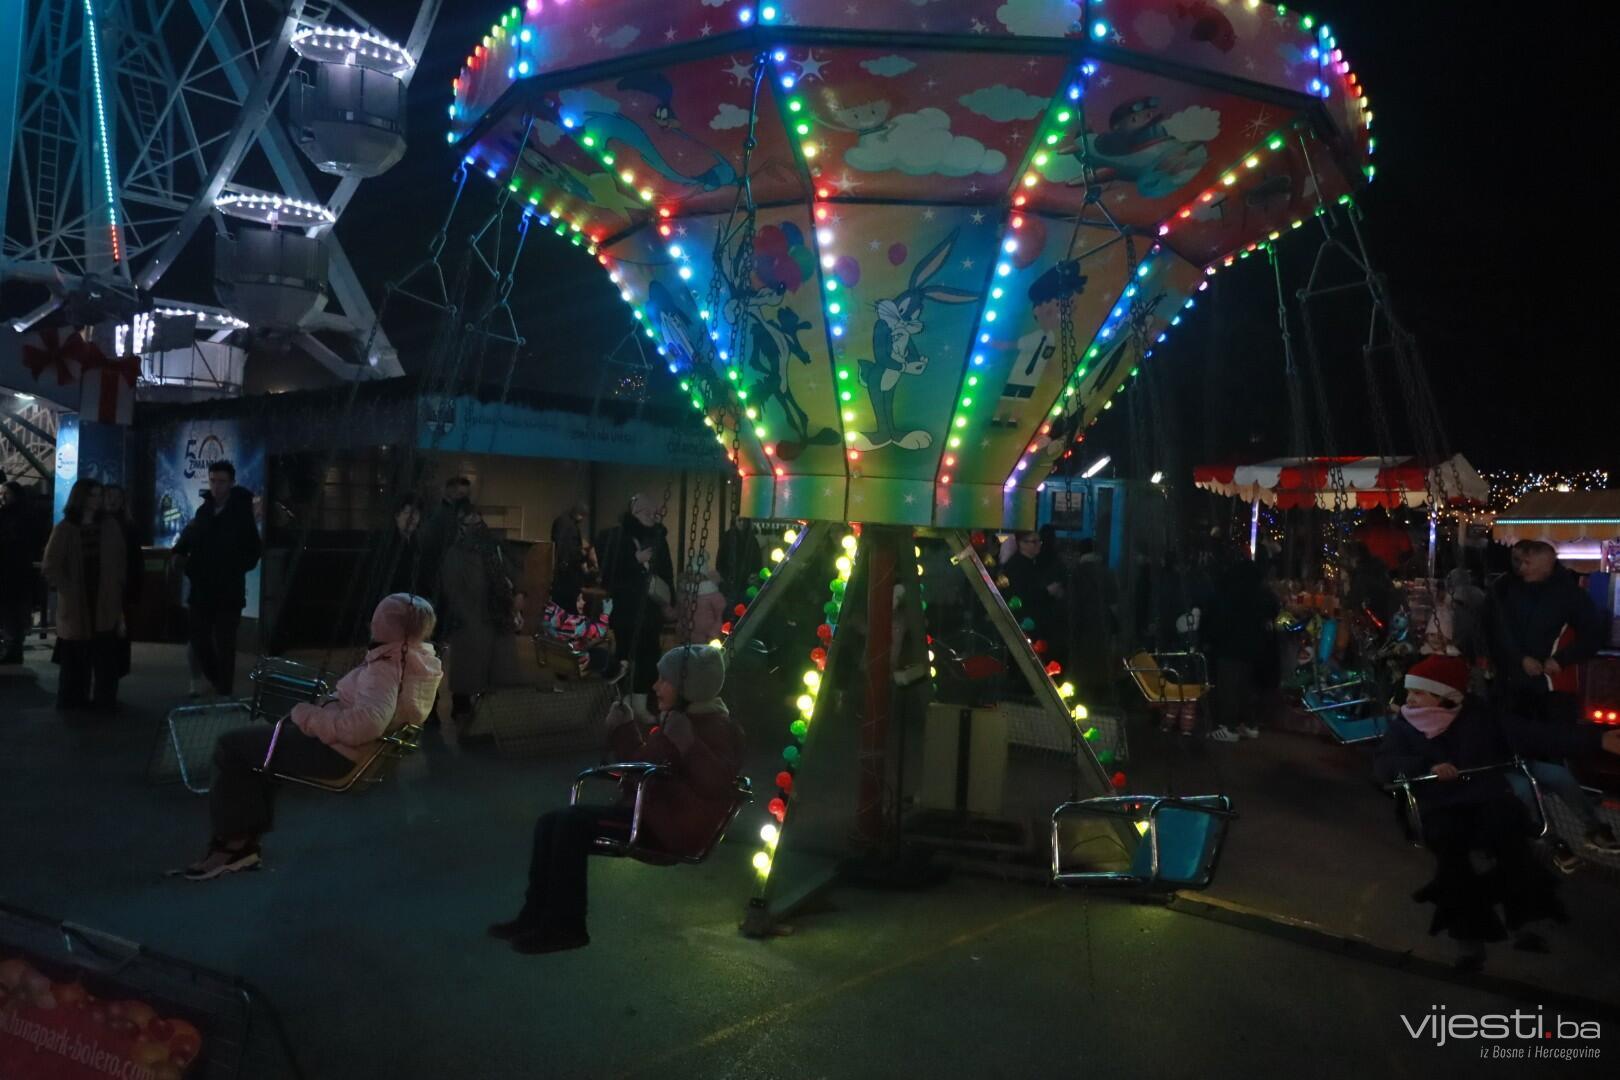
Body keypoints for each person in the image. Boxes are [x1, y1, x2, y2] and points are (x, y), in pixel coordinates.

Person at [488, 644, 744, 954]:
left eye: (664, 680)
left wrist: (688, 743)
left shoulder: (717, 728)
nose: (655, 686)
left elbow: (717, 784)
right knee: (549, 823)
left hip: (668, 828)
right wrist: (623, 728)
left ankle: (565, 927)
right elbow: (640, 764)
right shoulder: (679, 721)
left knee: (570, 824)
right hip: (655, 816)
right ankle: (534, 916)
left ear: (689, 687)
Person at [1374, 655, 1620, 970]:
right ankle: (1469, 937)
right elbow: (1384, 764)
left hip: (1486, 796)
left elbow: (1535, 734)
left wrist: (1596, 739)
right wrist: (1425, 767)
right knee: (1452, 858)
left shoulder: (1480, 717)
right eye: (1411, 692)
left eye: (1419, 693)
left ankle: (1524, 920)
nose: (1410, 699)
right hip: (1440, 803)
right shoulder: (1405, 727)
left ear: (1445, 694)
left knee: (1513, 842)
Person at [173, 595, 442, 880]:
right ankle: (242, 844)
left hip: (337, 753)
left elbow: (365, 725)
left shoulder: (386, 667)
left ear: (385, 625)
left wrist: (311, 717)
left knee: (231, 747)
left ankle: (231, 847)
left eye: (377, 619)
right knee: (258, 748)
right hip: (348, 749)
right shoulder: (418, 660)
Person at [1487, 540, 1617, 866]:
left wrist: (1561, 659)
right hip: (1511, 685)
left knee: (1552, 759)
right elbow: (1497, 631)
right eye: (1518, 561)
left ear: (1548, 561)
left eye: (1528, 562)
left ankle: (1580, 827)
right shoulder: (1504, 589)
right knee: (1525, 764)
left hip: (1551, 687)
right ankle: (1551, 833)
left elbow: (1593, 633)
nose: (1522, 568)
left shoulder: (1569, 593)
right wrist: (1517, 660)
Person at [172, 460, 260, 699]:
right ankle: (218, 681)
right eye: (213, 481)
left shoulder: (240, 514)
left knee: (225, 643)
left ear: (231, 483)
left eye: (221, 481)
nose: (217, 486)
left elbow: (253, 549)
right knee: (199, 639)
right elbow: (190, 536)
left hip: (228, 589)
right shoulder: (205, 511)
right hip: (202, 587)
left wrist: (233, 568)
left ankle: (223, 690)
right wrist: (182, 555)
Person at [41, 480, 128, 710]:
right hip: (78, 601)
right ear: (81, 498)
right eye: (92, 495)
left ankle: (103, 701)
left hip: (104, 599)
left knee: (104, 656)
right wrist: (67, 588)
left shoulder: (109, 527)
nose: (96, 501)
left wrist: (117, 589)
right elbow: (50, 566)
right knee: (75, 656)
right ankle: (73, 700)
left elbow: (120, 561)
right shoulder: (66, 529)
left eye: (99, 495)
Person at [597, 494, 673, 717]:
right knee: (626, 654)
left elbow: (666, 571)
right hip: (626, 608)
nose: (650, 516)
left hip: (650, 608)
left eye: (652, 512)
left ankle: (639, 702)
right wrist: (635, 560)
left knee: (648, 655)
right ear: (634, 513)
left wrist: (669, 601)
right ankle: (625, 701)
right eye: (644, 512)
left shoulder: (659, 538)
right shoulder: (618, 537)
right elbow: (609, 573)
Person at [438, 504, 515, 722]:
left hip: (492, 614)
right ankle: (462, 707)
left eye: (476, 520)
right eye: (468, 521)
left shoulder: (492, 548)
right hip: (470, 617)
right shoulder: (456, 553)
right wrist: (463, 612)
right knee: (467, 667)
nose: (474, 526)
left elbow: (507, 573)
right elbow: (451, 587)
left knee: (488, 666)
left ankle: (482, 710)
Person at [1202, 551, 1278, 742]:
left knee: (1228, 687)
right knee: (1245, 686)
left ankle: (1228, 726)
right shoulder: (1261, 593)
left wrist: (1209, 638)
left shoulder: (1228, 592)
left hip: (1229, 645)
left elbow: (1216, 618)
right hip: (1253, 647)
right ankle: (1249, 724)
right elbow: (1273, 609)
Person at [101, 484, 145, 683]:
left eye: (116, 497)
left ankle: (114, 673)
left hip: (121, 587)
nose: (112, 500)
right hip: (108, 587)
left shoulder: (128, 527)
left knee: (119, 631)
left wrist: (135, 589)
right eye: (109, 496)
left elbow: (136, 562)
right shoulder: (105, 525)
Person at [0, 481, 45, 664]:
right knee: (14, 611)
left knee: (11, 610)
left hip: (13, 570)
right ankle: (13, 647)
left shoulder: (14, 517)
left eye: (6, 493)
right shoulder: (28, 515)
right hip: (19, 570)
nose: (3, 497)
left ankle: (12, 647)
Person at [417, 476, 473, 610]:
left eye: (465, 495)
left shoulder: (446, 514)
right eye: (460, 494)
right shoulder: (441, 517)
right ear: (449, 491)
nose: (462, 499)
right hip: (438, 580)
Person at [542, 587, 616, 676]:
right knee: (602, 654)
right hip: (573, 659)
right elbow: (600, 631)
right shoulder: (580, 625)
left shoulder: (561, 615)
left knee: (594, 644)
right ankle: (614, 673)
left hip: (558, 652)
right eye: (578, 600)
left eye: (582, 600)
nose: (581, 603)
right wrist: (606, 613)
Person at [376, 494, 424, 598]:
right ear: (397, 516)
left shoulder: (417, 543)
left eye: (416, 513)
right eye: (407, 512)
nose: (412, 518)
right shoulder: (386, 544)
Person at [550, 501, 590, 612]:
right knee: (568, 603)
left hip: (564, 568)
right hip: (568, 571)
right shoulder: (568, 525)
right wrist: (581, 557)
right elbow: (568, 547)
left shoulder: (563, 522)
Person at [715, 516, 763, 605]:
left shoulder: (751, 539)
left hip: (745, 581)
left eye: (744, 520)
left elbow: (757, 559)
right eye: (739, 520)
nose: (742, 523)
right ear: (735, 521)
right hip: (730, 580)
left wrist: (754, 573)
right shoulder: (728, 537)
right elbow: (721, 558)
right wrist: (725, 576)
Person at [677, 567, 728, 645]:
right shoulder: (685, 594)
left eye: (696, 574)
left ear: (703, 576)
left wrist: (713, 635)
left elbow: (721, 617)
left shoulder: (714, 595)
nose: (693, 576)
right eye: (690, 574)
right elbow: (680, 614)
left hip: (707, 640)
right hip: (687, 640)